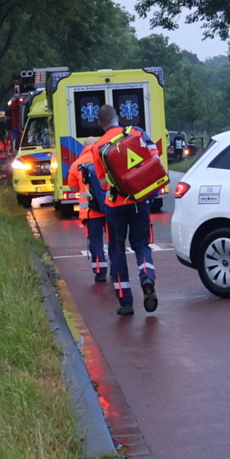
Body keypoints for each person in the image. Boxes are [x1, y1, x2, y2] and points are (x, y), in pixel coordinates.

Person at [93, 104, 159, 316]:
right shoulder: (136, 132)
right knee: (141, 244)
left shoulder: (98, 147)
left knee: (117, 250)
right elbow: (153, 157)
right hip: (139, 201)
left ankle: (125, 302)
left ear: (99, 124)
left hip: (115, 205)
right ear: (118, 117)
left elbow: (103, 184)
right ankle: (147, 275)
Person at [67, 137, 108, 283]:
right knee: (114, 239)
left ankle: (100, 271)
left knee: (95, 240)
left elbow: (72, 188)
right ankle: (117, 269)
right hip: (110, 207)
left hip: (91, 211)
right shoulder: (105, 158)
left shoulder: (76, 165)